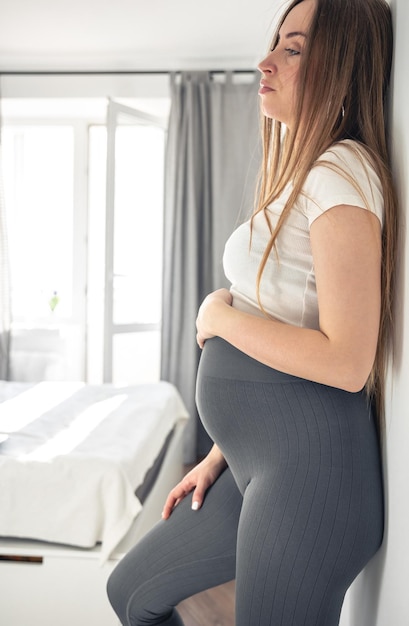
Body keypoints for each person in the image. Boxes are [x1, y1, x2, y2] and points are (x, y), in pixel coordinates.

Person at [107, 0, 397, 624]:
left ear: (341, 67)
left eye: (292, 50)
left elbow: (348, 360)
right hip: (254, 463)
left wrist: (217, 316)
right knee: (132, 590)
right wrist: (219, 453)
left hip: (309, 475)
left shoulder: (341, 174)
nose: (264, 63)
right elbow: (290, 319)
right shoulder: (306, 174)